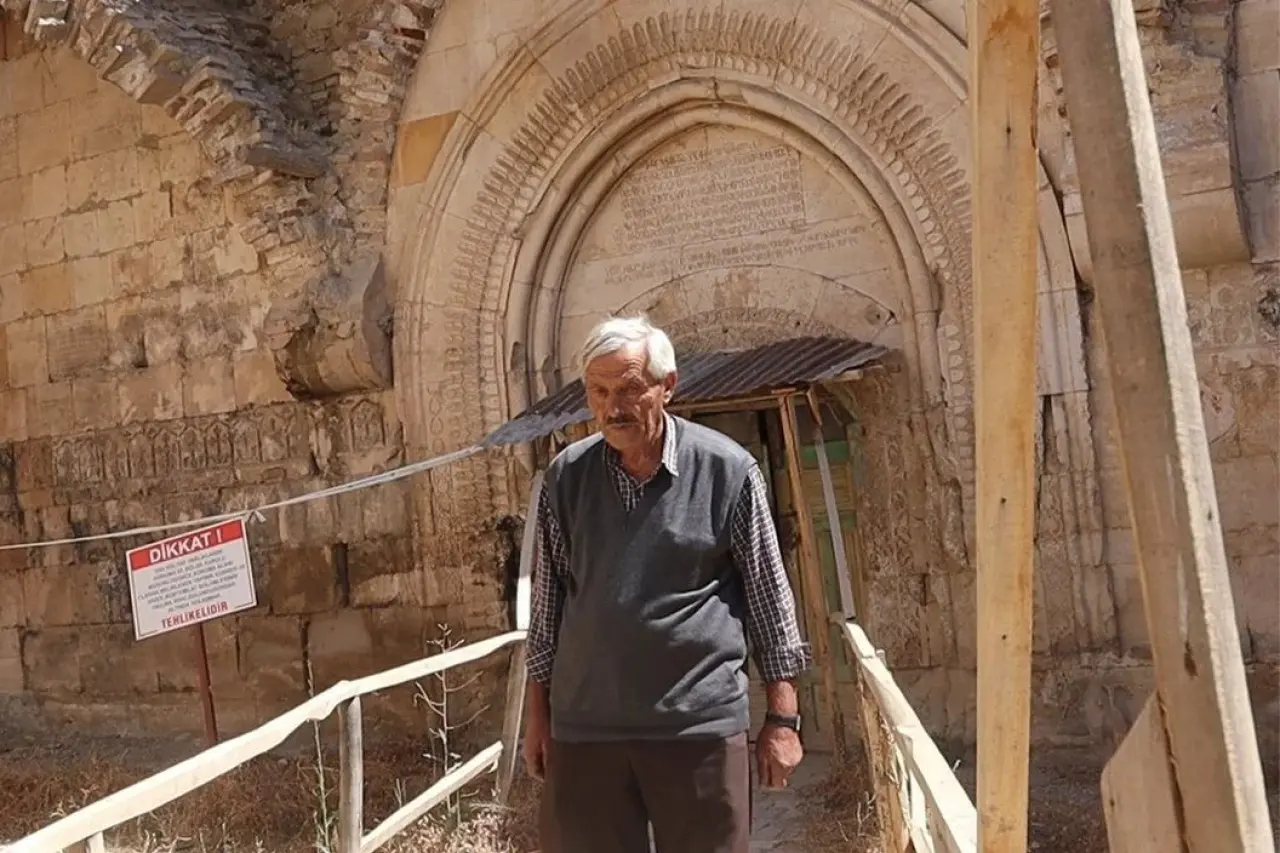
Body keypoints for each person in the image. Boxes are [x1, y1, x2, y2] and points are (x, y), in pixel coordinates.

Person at [522, 315, 813, 853]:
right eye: (599, 391)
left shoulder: (727, 471)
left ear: (668, 386)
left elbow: (770, 600)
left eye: (630, 389)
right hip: (587, 732)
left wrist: (783, 718)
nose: (613, 407)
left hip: (697, 729)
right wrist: (537, 718)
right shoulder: (566, 478)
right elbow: (547, 610)